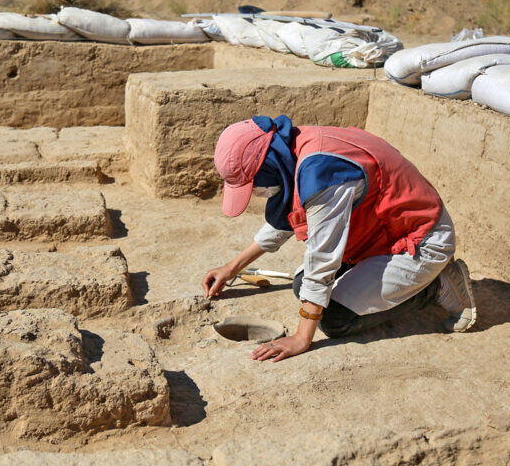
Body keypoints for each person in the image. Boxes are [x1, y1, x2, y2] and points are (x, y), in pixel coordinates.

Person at [202, 115, 477, 363]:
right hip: (376, 235)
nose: (257, 194)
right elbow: (291, 215)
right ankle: (406, 281)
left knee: (333, 319)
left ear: (268, 166)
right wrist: (233, 267)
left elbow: (322, 259)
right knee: (303, 286)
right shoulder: (292, 149)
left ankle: (438, 284)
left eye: (255, 185)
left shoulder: (321, 172)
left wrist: (301, 338)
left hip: (419, 239)